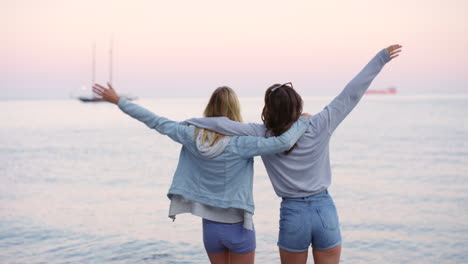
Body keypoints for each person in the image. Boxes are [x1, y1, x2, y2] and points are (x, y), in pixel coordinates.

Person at [186, 45, 402, 264]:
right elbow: (352, 92)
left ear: (268, 109)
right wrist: (381, 58)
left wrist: (189, 122)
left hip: (293, 213)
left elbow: (224, 125)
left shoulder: (263, 134)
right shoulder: (319, 124)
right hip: (323, 210)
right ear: (297, 103)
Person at [92, 85, 310, 264]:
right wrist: (303, 121)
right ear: (234, 110)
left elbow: (154, 121)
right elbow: (283, 142)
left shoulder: (190, 135)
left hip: (210, 229)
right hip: (238, 228)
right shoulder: (242, 143)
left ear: (210, 108)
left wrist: (118, 100)